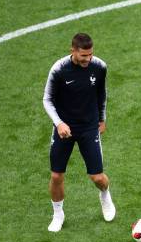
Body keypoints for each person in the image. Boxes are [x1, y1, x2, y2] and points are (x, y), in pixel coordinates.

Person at [43, 33, 115, 232]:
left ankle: (105, 195)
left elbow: (102, 94)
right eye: (84, 55)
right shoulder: (59, 69)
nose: (88, 59)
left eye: (90, 54)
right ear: (73, 51)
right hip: (64, 128)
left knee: (97, 178)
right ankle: (58, 214)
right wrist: (58, 124)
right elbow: (47, 100)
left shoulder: (99, 66)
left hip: (89, 127)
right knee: (57, 175)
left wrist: (102, 119)